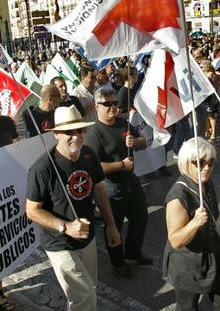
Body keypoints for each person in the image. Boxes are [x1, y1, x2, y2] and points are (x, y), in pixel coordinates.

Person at [26, 105, 121, 311]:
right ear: (56, 133)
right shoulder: (42, 168)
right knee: (83, 298)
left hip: (88, 237)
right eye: (69, 132)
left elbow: (99, 189)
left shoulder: (89, 155)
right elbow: (32, 210)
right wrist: (65, 226)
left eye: (80, 130)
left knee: (89, 291)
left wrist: (111, 225)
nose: (76, 136)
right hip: (60, 243)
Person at [84, 87, 152, 279]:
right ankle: (118, 262)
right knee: (114, 226)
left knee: (140, 218)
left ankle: (133, 252)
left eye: (115, 103)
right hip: (110, 188)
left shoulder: (123, 123)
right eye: (107, 104)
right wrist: (121, 165)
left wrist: (135, 142)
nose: (113, 107)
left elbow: (143, 142)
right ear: (97, 106)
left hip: (132, 181)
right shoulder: (94, 134)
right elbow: (94, 167)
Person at [163, 137, 220, 310]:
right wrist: (194, 223)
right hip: (188, 266)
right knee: (188, 307)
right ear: (186, 162)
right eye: (199, 162)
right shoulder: (178, 195)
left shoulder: (206, 183)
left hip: (212, 257)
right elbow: (175, 240)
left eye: (210, 162)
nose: (207, 167)